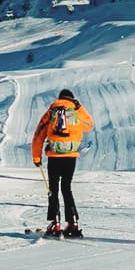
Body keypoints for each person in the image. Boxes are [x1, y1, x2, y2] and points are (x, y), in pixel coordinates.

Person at [31, 88, 94, 238]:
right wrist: (80, 108)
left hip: (54, 156)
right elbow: (89, 125)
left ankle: (55, 222)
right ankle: (73, 223)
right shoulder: (76, 112)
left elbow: (39, 135)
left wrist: (36, 157)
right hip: (70, 156)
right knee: (66, 188)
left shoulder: (51, 112)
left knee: (53, 188)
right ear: (72, 99)